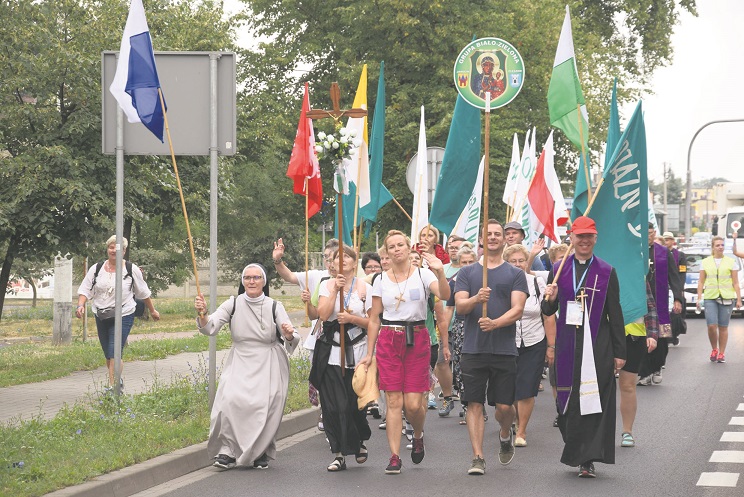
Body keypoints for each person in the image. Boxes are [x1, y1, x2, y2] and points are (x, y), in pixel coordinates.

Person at [356, 230, 450, 474]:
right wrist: (369, 351)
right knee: (394, 401)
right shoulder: (379, 280)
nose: (397, 249)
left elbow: (445, 295)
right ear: (386, 252)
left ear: (409, 248)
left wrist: (440, 271)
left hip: (417, 338)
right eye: (391, 247)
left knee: (413, 405)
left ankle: (417, 435)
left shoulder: (423, 273)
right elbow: (375, 318)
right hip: (389, 339)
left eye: (400, 245)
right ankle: (395, 456)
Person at [541, 216, 626, 478]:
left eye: (589, 236)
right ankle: (574, 446)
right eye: (580, 236)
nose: (584, 240)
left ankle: (587, 458)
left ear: (595, 238)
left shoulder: (607, 271)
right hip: (567, 344)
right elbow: (547, 310)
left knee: (592, 401)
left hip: (597, 346)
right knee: (566, 402)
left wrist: (619, 352)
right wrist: (550, 299)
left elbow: (615, 312)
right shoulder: (558, 268)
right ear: (571, 237)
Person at [194, 264, 300, 470]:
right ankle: (227, 451)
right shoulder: (233, 303)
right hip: (240, 357)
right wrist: (203, 314)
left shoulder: (274, 306)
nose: (251, 281)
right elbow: (210, 327)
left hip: (268, 359)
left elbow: (291, 335)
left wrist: (288, 334)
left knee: (265, 404)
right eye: (247, 278)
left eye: (256, 277)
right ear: (242, 281)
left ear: (264, 281)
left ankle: (260, 452)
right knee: (229, 401)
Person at [455, 219, 528, 475]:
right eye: (490, 234)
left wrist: (495, 323)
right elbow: (460, 306)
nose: (494, 237)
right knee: (474, 404)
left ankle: (505, 433)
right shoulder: (467, 273)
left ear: (503, 239)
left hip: (504, 349)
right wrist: (477, 298)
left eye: (498, 234)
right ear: (482, 239)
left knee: (504, 407)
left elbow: (518, 309)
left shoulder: (515, 274)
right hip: (473, 349)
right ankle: (477, 457)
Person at [313, 246, 372, 471]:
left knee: (354, 404)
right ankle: (338, 453)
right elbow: (323, 314)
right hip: (330, 353)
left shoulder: (365, 288)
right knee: (333, 406)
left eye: (347, 256)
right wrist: (335, 290)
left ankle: (359, 440)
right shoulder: (326, 285)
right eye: (338, 257)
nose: (342, 260)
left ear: (354, 262)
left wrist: (352, 318)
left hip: (357, 351)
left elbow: (373, 322)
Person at [76, 236, 160, 389]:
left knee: (114, 351)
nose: (114, 250)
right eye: (111, 247)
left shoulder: (131, 269)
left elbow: (143, 292)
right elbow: (85, 289)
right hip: (101, 314)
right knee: (108, 354)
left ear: (124, 250)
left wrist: (153, 311)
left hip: (124, 314)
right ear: (107, 249)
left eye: (117, 248)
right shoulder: (97, 268)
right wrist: (80, 305)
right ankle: (117, 380)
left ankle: (113, 387)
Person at [503, 244, 556, 448]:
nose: (517, 265)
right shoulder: (500, 283)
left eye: (521, 260)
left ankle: (522, 430)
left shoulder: (536, 282)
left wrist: (551, 346)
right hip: (507, 341)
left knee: (527, 387)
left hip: (535, 341)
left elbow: (548, 314)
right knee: (510, 388)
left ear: (527, 262)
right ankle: (512, 420)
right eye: (513, 261)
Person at [638, 224, 683, 385]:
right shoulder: (636, 251)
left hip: (660, 301)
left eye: (650, 233)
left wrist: (678, 298)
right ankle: (644, 372)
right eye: (645, 233)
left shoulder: (663, 252)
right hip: (641, 300)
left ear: (654, 233)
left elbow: (674, 276)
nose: (647, 236)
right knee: (642, 336)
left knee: (662, 337)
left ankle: (657, 367)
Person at [618, 282, 658, 448]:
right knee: (600, 385)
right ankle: (599, 433)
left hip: (634, 336)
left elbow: (650, 306)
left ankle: (627, 431)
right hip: (605, 334)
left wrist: (653, 334)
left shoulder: (637, 274)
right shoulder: (600, 269)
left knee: (627, 385)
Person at [441, 245, 477, 419]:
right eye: (465, 262)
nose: (468, 265)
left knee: (479, 367)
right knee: (461, 368)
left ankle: (478, 403)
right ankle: (466, 404)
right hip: (461, 327)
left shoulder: (484, 280)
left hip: (481, 327)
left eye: (471, 261)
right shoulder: (455, 282)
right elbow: (449, 310)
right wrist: (444, 337)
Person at [697, 236, 742, 364]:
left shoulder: (730, 262)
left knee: (723, 326)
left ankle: (722, 353)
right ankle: (714, 349)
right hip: (710, 297)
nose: (720, 247)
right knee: (711, 326)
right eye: (718, 245)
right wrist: (699, 297)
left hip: (727, 297)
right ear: (713, 247)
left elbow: (736, 282)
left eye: (722, 245)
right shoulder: (705, 262)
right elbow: (701, 282)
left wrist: (738, 299)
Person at [662, 232, 687, 345]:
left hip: (674, 288)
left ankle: (674, 334)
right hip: (662, 286)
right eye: (664, 240)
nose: (666, 242)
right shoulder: (659, 254)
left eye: (668, 240)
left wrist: (679, 289)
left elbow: (682, 273)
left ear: (673, 241)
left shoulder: (680, 255)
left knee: (675, 313)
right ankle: (665, 336)